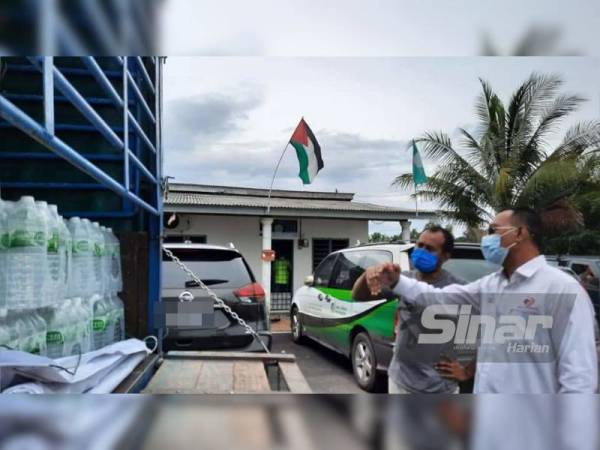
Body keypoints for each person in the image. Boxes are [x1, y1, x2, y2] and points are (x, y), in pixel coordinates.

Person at [357, 208, 598, 393]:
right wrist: (397, 281)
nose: (487, 238)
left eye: (493, 231)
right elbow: (437, 298)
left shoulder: (562, 289)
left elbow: (579, 376)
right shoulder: (491, 284)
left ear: (520, 233)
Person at [354, 225, 469, 393]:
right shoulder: (403, 281)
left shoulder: (458, 288)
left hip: (439, 388)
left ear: (446, 256)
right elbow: (359, 296)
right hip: (400, 382)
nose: (422, 251)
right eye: (419, 245)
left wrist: (467, 370)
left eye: (430, 249)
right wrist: (367, 275)